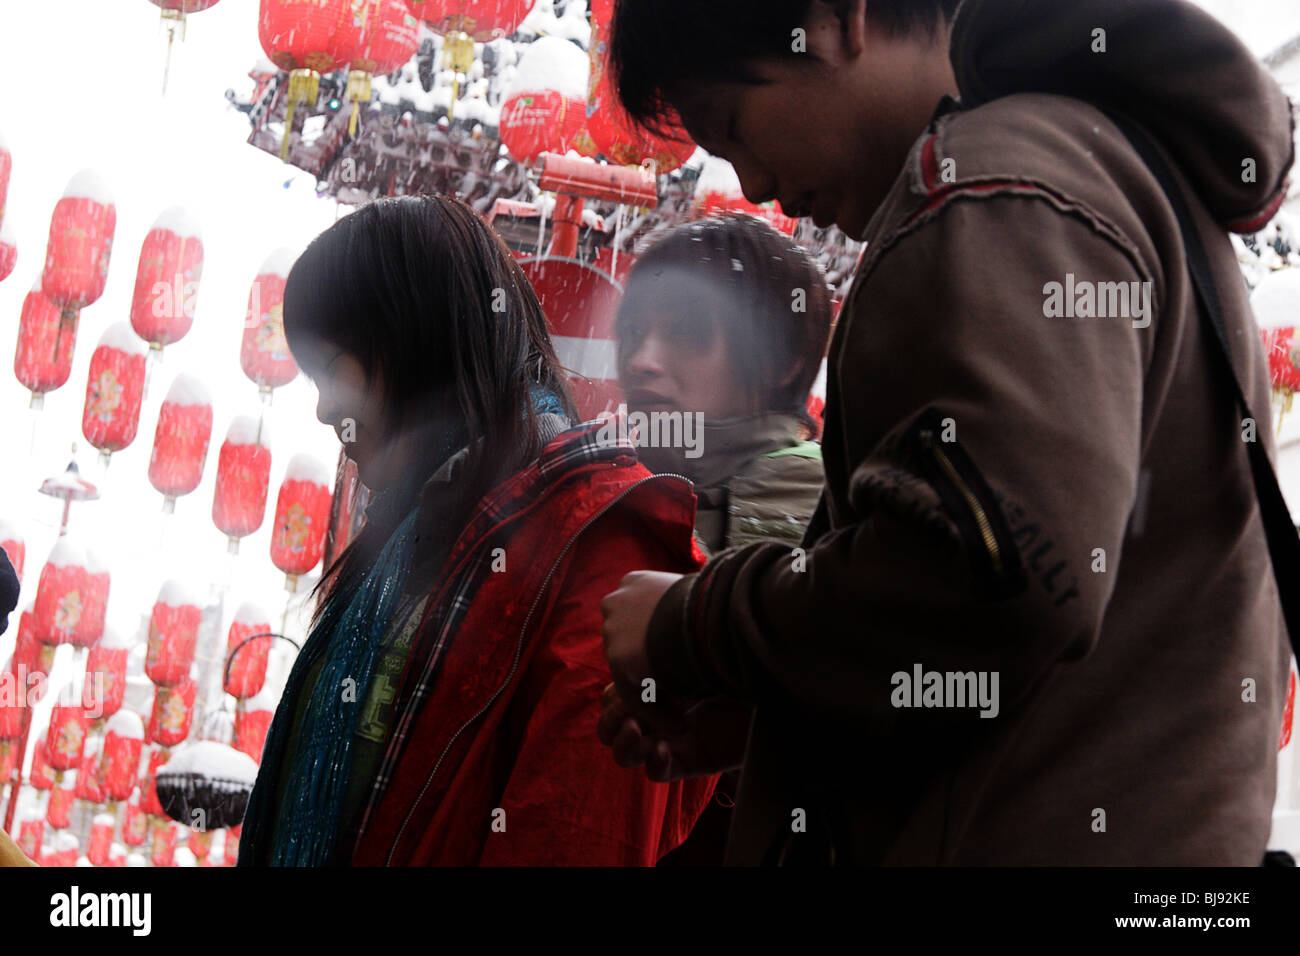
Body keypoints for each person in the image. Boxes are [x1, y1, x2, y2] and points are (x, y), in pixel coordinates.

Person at [597, 0, 1293, 865]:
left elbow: (995, 576)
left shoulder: (996, 183)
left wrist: (695, 622)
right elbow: (1014, 671)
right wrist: (778, 715)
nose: (755, 184)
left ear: (836, 20)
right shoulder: (1091, 169)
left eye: (736, 124)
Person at [238, 194, 715, 866]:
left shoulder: (602, 543)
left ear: (411, 341)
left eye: (331, 367)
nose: (324, 409)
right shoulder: (403, 554)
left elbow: (574, 841)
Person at [614, 213, 831, 864]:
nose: (644, 361)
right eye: (633, 335)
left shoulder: (832, 523)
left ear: (782, 356)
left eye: (683, 333)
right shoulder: (623, 493)